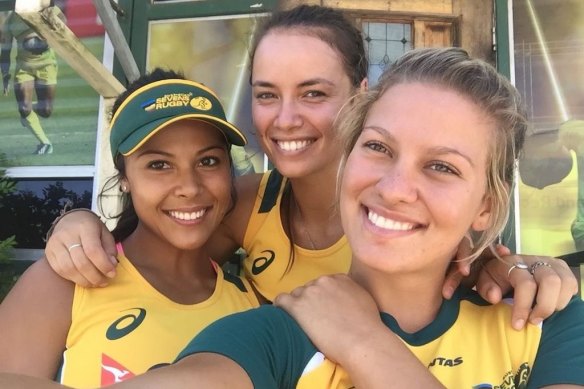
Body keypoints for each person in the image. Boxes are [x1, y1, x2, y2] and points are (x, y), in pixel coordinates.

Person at [4, 47, 583, 389]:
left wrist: (366, 341)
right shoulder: (267, 331)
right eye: (379, 148)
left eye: (442, 167)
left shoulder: (546, 317)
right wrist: (77, 219)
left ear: (487, 203)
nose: (395, 188)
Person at [44, 5, 576, 328]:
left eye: (314, 93)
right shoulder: (248, 202)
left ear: (361, 96)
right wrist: (80, 223)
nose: (286, 119)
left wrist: (522, 269)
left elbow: (483, 266)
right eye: (267, 94)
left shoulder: (404, 207)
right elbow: (153, 250)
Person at [0, 68, 259, 387]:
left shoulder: (250, 303)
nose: (189, 187)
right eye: (159, 165)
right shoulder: (68, 282)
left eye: (208, 161)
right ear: (124, 177)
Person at [0, 10, 60, 155]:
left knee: (46, 111)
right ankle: (45, 143)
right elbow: (5, 52)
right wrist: (5, 75)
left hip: (47, 64)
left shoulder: (42, 7)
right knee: (24, 108)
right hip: (24, 67)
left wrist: (55, 21)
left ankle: (26, 110)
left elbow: (61, 18)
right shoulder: (9, 20)